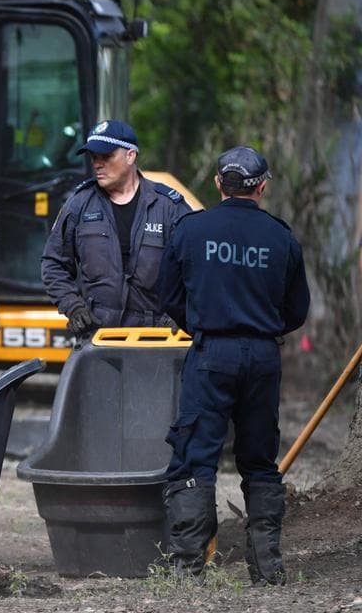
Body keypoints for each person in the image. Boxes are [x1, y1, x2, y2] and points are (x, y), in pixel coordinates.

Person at [156, 146, 309, 584]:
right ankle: (267, 569)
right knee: (260, 460)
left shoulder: (190, 230)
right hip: (263, 357)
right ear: (262, 187)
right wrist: (260, 328)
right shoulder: (282, 237)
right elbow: (297, 310)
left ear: (219, 184)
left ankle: (188, 570)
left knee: (194, 457)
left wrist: (204, 325)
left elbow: (168, 295)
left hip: (210, 354)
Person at [41, 119, 193, 339]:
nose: (97, 164)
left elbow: (197, 267)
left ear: (131, 155)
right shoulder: (79, 205)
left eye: (106, 156)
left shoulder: (168, 206)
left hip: (157, 339)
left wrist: (182, 313)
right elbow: (53, 263)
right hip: (99, 337)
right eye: (94, 157)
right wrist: (73, 307)